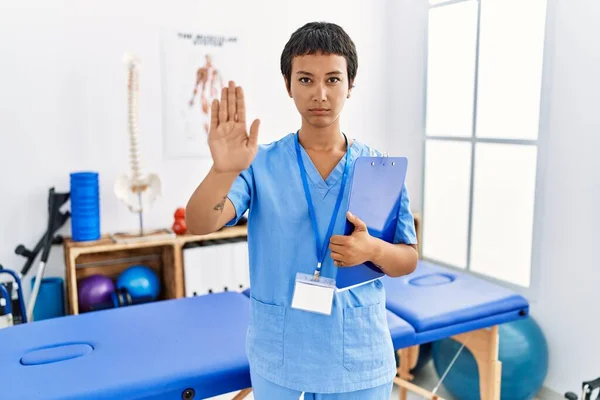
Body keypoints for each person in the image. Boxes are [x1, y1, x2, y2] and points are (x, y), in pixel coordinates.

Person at [186, 21, 418, 400]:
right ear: (288, 84)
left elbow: (407, 259)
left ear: (350, 84)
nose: (320, 94)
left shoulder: (377, 167)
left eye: (333, 79)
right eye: (306, 80)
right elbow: (199, 223)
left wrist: (373, 250)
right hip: (281, 355)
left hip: (358, 357)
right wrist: (222, 169)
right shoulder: (259, 163)